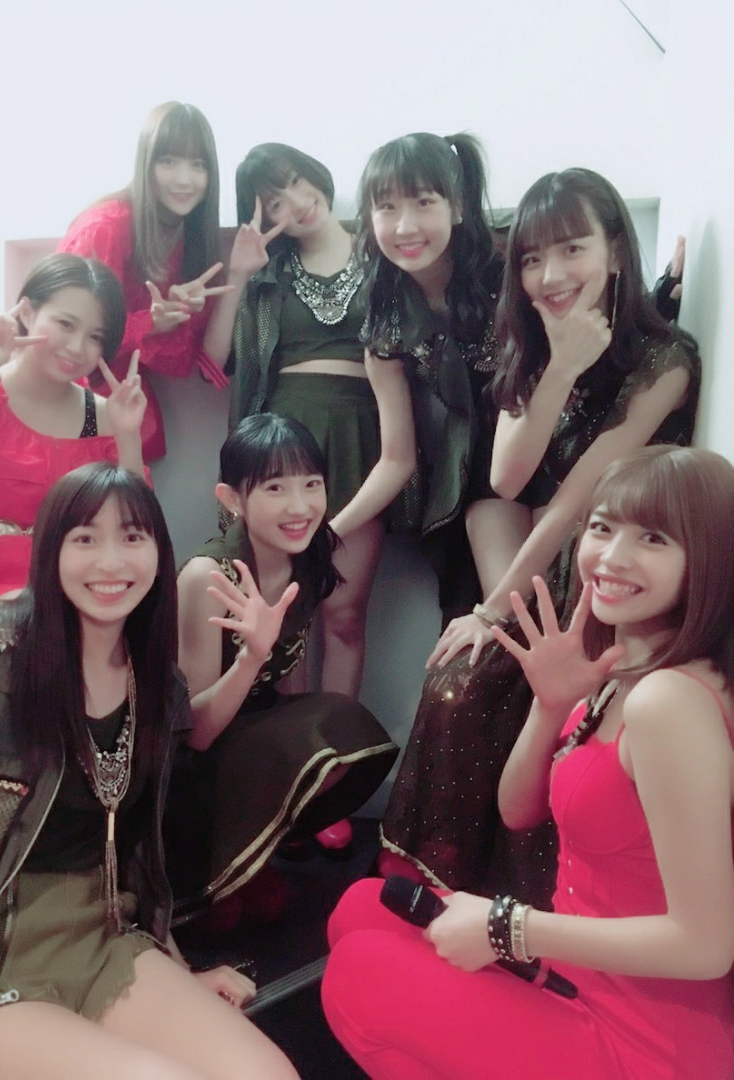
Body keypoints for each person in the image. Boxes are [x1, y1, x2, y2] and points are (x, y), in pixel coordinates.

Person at [323, 445, 734, 1080]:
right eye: (602, 527)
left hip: (643, 1038)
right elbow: (519, 811)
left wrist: (506, 926)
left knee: (357, 976)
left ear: (707, 557)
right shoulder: (625, 666)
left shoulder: (668, 701)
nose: (612, 557)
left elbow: (706, 946)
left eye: (652, 538)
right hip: (576, 971)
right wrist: (549, 706)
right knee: (361, 909)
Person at [379, 169, 701, 906]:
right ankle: (428, 884)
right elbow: (507, 476)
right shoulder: (532, 346)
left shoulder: (665, 362)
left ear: (615, 251)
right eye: (530, 258)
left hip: (609, 571)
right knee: (455, 679)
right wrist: (559, 366)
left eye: (571, 249)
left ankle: (519, 905)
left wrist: (492, 609)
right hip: (555, 554)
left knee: (487, 685)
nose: (549, 275)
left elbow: (580, 499)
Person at [0, 462, 299, 1080]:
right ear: (51, 550)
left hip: (104, 934)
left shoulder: (150, 674)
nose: (110, 561)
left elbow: (188, 736)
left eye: (131, 537)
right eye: (85, 538)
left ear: (158, 552)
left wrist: (251, 661)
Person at [204, 143, 415, 697]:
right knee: (281, 613)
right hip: (284, 444)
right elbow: (214, 361)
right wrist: (240, 272)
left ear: (317, 176)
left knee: (344, 614)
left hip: (360, 443)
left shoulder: (385, 256)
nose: (295, 202)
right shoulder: (269, 274)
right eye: (274, 202)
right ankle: (290, 746)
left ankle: (337, 748)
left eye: (297, 181)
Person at [168, 414, 398, 902]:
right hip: (185, 760)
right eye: (275, 488)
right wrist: (251, 657)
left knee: (341, 729)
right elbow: (193, 734)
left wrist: (298, 750)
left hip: (249, 723)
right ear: (232, 499)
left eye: (311, 484)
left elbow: (289, 672)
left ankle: (269, 839)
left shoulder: (307, 558)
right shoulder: (208, 578)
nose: (299, 506)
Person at [0, 252, 147, 616]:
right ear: (27, 312)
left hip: (67, 599)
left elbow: (136, 528)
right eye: (65, 324)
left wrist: (128, 436)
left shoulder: (107, 415)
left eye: (95, 337)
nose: (76, 347)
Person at [356, 130, 504, 622]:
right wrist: (328, 534)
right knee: (462, 643)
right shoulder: (386, 320)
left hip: (544, 470)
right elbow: (396, 459)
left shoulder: (507, 276)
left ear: (457, 206)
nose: (405, 226)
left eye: (423, 203)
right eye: (387, 207)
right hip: (463, 486)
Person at [58, 101, 233, 461]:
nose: (184, 179)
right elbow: (66, 336)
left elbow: (182, 366)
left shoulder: (189, 239)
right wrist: (150, 323)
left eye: (198, 164)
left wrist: (181, 315)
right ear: (146, 163)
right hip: (72, 406)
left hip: (124, 410)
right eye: (168, 161)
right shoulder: (105, 227)